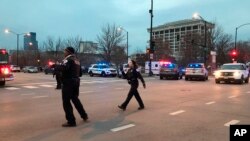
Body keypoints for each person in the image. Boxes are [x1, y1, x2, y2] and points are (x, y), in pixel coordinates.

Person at [59, 47, 88, 127]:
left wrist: (56, 66)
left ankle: (71, 121)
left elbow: (64, 68)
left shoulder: (68, 59)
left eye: (65, 51)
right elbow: (80, 73)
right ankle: (84, 115)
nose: (64, 52)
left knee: (66, 102)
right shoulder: (77, 60)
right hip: (76, 82)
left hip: (68, 83)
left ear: (68, 52)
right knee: (75, 100)